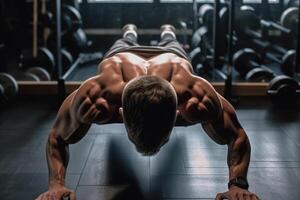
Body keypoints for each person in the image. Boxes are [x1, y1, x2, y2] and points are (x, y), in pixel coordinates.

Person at [36, 24, 260, 200]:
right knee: (126, 39)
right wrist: (55, 185)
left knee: (170, 40)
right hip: (125, 53)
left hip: (169, 56)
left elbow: (236, 135)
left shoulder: (196, 97)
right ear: (123, 116)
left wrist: (238, 185)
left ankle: (167, 31)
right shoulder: (97, 97)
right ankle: (130, 31)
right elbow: (235, 134)